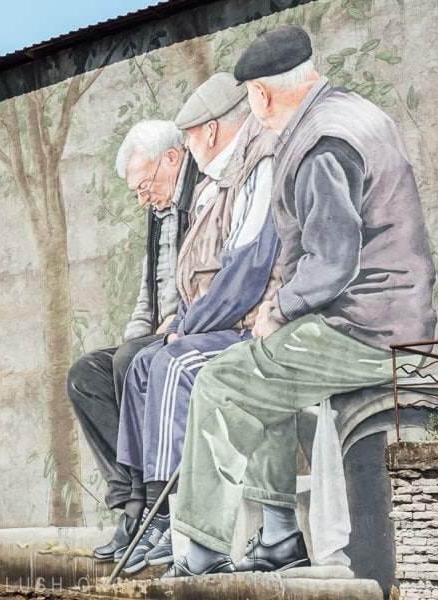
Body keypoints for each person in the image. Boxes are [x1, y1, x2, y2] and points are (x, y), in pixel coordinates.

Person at [164, 26, 437, 578]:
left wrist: (279, 309)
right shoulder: (350, 112)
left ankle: (202, 554)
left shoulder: (318, 144)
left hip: (363, 328)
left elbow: (334, 262)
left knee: (223, 380)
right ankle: (280, 537)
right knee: (263, 377)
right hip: (391, 316)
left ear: (261, 95)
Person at [115, 73, 280, 575]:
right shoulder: (220, 183)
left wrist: (186, 325)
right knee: (143, 362)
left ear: (208, 133)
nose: (186, 151)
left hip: (249, 323)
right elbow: (196, 277)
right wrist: (180, 319)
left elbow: (245, 274)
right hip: (212, 318)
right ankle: (142, 505)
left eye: (187, 140)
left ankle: (173, 520)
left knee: (172, 362)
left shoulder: (258, 167)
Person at [67, 120, 197, 561]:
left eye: (146, 184)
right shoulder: (158, 212)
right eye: (137, 191)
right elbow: (149, 292)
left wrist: (180, 319)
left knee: (130, 361)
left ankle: (147, 507)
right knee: (86, 375)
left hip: (194, 331)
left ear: (173, 159)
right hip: (157, 335)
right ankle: (128, 501)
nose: (143, 197)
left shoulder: (202, 197)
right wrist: (130, 342)